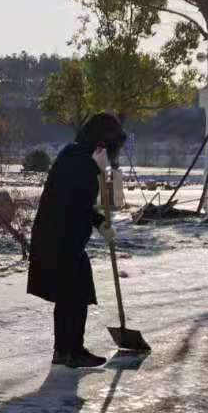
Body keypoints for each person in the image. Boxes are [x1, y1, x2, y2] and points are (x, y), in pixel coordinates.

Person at [27, 112, 123, 367]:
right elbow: (78, 202)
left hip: (57, 235)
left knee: (67, 293)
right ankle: (74, 351)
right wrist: (100, 222)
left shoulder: (75, 154)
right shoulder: (81, 160)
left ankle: (63, 351)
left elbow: (83, 201)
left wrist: (100, 220)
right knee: (77, 292)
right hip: (61, 237)